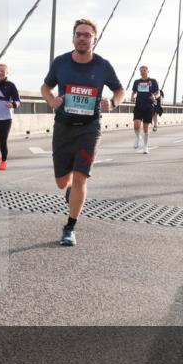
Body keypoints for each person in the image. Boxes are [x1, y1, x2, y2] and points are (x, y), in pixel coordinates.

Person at [42, 18, 125, 247]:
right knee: (62, 183)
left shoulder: (102, 65)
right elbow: (45, 87)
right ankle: (69, 190)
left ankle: (69, 227)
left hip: (90, 129)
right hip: (63, 128)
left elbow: (120, 89)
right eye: (79, 34)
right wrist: (51, 100)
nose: (82, 37)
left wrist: (114, 102)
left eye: (87, 34)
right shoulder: (60, 63)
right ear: (73, 37)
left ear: (94, 39)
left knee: (80, 177)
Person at [130, 65, 159, 154]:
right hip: (138, 106)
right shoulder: (136, 82)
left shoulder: (153, 81)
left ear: (147, 71)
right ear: (140, 72)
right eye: (141, 70)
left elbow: (158, 93)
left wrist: (154, 96)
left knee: (145, 128)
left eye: (144, 70)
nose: (143, 72)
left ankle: (145, 147)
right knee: (136, 125)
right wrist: (132, 97)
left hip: (149, 106)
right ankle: (138, 137)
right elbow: (134, 92)